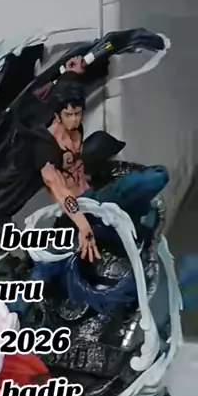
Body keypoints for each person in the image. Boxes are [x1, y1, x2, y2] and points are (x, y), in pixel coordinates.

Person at [39, 59, 169, 260]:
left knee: (157, 177)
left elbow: (69, 92)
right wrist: (84, 227)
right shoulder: (46, 147)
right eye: (68, 115)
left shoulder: (75, 125)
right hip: (80, 209)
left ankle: (133, 221)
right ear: (57, 115)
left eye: (77, 114)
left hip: (95, 195)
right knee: (154, 180)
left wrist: (75, 73)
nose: (74, 120)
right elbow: (62, 194)